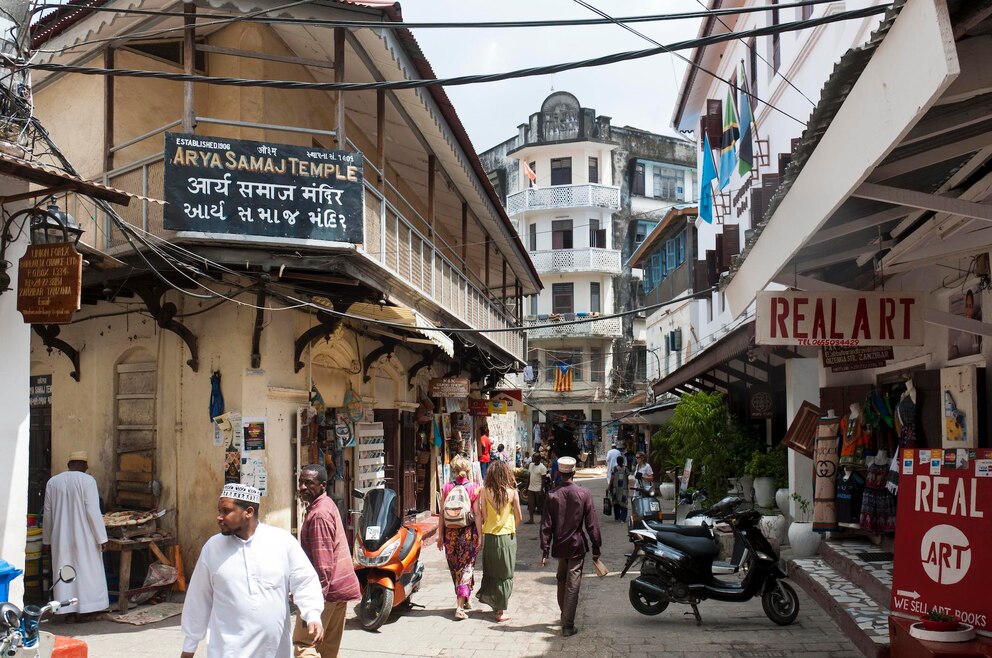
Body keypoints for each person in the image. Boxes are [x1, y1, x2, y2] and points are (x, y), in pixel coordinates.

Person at [181, 483, 325, 658]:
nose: (219, 517)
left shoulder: (281, 542)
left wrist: (313, 615)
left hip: (275, 651)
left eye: (226, 511)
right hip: (227, 652)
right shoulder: (213, 548)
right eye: (219, 511)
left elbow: (304, 581)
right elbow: (198, 599)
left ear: (248, 512)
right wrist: (189, 646)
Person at [295, 465, 360, 657]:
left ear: (323, 485)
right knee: (328, 649)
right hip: (339, 589)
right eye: (301, 482)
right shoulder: (326, 504)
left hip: (325, 592)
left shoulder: (319, 515)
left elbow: (323, 564)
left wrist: (315, 602)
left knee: (305, 645)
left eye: (309, 483)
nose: (303, 487)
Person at [42, 451, 109, 620]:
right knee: (88, 571)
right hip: (85, 536)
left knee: (65, 573)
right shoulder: (87, 481)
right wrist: (102, 538)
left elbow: (47, 514)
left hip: (61, 538)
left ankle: (67, 611)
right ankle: (88, 610)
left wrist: (47, 540)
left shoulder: (53, 482)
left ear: (69, 464)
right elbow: (93, 511)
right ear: (84, 465)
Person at [540, 456, 602, 637]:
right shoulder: (584, 494)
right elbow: (592, 524)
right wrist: (596, 546)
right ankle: (567, 624)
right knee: (572, 583)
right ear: (574, 472)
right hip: (576, 545)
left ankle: (564, 615)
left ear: (559, 473)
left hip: (560, 545)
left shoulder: (552, 495)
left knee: (561, 579)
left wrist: (544, 549)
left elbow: (546, 525)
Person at [474, 460, 521, 623]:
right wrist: (510, 528)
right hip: (507, 537)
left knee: (492, 572)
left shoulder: (484, 491)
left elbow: (484, 515)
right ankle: (500, 611)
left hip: (491, 538)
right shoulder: (513, 492)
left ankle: (496, 605)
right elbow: (519, 516)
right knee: (505, 574)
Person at [436, 455, 482, 620]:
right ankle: (460, 607)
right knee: (467, 568)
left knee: (456, 568)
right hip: (468, 534)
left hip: (450, 535)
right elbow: (477, 514)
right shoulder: (474, 488)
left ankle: (465, 598)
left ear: (454, 470)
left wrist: (440, 535)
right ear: (468, 470)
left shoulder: (446, 487)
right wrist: (480, 536)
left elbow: (441, 513)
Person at [526, 453, 548, 524]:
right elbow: (529, 476)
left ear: (539, 459)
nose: (533, 459)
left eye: (535, 458)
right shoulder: (531, 465)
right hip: (531, 488)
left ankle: (542, 519)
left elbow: (543, 480)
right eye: (533, 458)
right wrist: (527, 487)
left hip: (538, 489)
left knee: (540, 505)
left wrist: (541, 490)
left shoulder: (542, 468)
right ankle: (531, 519)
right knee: (531, 505)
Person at [609, 455, 631, 523]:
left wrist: (609, 487)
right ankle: (622, 518)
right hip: (623, 489)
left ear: (617, 461)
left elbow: (612, 479)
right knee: (623, 503)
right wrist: (627, 487)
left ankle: (617, 517)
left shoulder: (614, 469)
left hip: (616, 489)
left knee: (616, 503)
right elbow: (627, 480)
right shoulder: (626, 469)